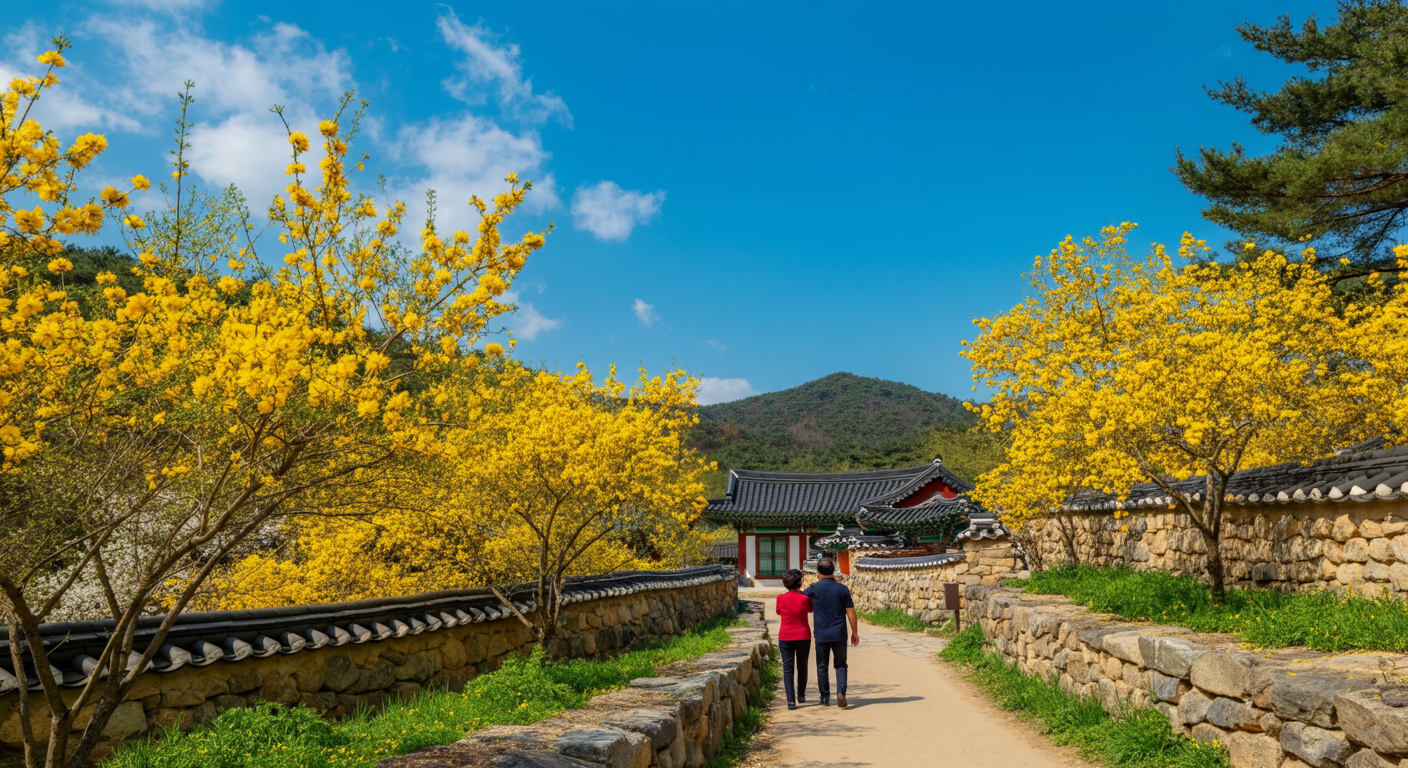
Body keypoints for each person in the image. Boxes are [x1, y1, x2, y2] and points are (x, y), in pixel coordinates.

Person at [802, 557, 858, 708]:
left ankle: (825, 697)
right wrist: (854, 632)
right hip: (839, 633)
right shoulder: (842, 589)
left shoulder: (814, 588)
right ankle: (841, 693)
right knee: (840, 664)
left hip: (822, 634)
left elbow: (800, 599)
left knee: (822, 666)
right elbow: (851, 612)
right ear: (833, 572)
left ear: (818, 572)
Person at [774, 568, 812, 710]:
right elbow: (810, 609)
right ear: (800, 582)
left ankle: (791, 700)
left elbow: (778, 611)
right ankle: (801, 695)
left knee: (788, 668)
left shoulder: (780, 598)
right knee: (802, 666)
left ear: (785, 583)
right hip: (803, 635)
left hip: (785, 636)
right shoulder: (805, 598)